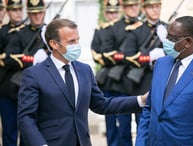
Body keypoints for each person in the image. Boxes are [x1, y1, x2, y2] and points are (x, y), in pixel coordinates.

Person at [17, 18, 148, 146]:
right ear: (54, 44)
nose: (76, 45)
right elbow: (26, 118)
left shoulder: (84, 70)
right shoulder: (34, 75)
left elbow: (102, 104)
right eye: (71, 41)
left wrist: (141, 100)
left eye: (77, 40)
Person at [135, 16, 193, 146]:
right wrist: (140, 142)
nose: (166, 41)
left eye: (172, 38)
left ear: (188, 42)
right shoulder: (161, 64)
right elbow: (149, 109)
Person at [97, 0, 142, 145]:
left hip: (141, 82)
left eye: (136, 4)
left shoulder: (147, 27)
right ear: (124, 7)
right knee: (122, 126)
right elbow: (105, 52)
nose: (134, 8)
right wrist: (128, 57)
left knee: (143, 126)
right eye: (130, 5)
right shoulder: (113, 28)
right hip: (120, 84)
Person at [90, 0, 123, 146]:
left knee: (124, 120)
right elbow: (95, 54)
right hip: (107, 81)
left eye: (115, 12)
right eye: (110, 12)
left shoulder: (125, 29)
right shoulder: (100, 30)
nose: (113, 15)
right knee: (110, 119)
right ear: (105, 13)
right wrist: (113, 57)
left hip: (123, 81)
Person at [124, 0, 167, 96]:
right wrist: (149, 57)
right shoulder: (136, 30)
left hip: (164, 81)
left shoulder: (168, 28)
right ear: (144, 9)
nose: (155, 10)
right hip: (143, 83)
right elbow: (127, 57)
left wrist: (167, 43)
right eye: (151, 7)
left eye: (157, 6)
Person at [0, 0, 25, 145]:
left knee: (26, 129)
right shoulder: (2, 32)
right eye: (14, 10)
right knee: (9, 129)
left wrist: (8, 59)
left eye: (19, 10)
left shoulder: (29, 31)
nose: (18, 13)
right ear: (8, 12)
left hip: (25, 88)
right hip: (6, 88)